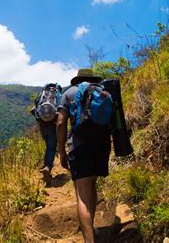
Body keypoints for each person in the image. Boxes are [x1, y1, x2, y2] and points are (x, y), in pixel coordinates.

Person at [57, 69, 112, 243]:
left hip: (79, 146)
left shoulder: (69, 93)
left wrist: (61, 151)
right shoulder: (102, 91)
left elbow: (60, 122)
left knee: (82, 194)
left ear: (77, 79)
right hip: (102, 145)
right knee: (92, 184)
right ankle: (92, 228)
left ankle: (89, 239)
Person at [31, 84, 60, 185]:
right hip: (53, 126)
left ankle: (46, 166)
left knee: (48, 147)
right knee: (51, 147)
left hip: (43, 126)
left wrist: (39, 121)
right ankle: (47, 167)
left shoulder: (41, 97)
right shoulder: (58, 96)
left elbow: (33, 110)